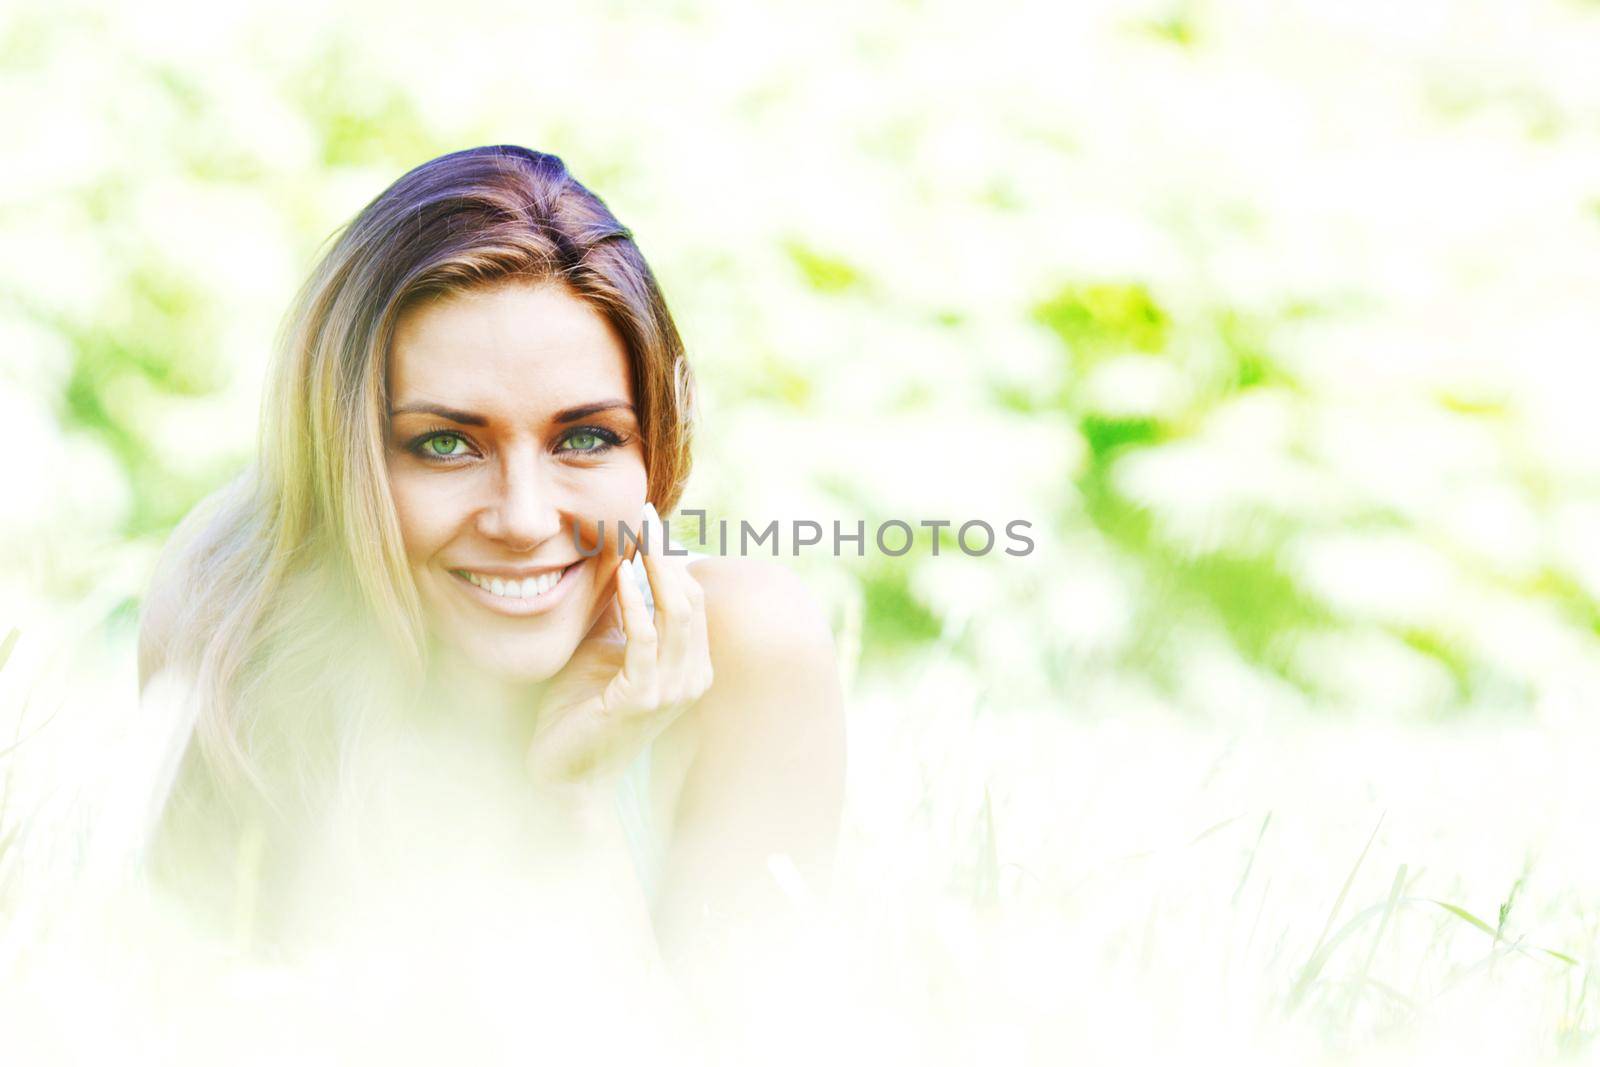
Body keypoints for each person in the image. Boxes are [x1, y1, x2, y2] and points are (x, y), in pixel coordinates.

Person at [134, 145, 847, 977]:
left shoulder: (749, 656)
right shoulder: (233, 628)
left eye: (585, 438)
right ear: (340, 456)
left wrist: (572, 802)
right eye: (444, 444)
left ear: (653, 450)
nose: (523, 517)